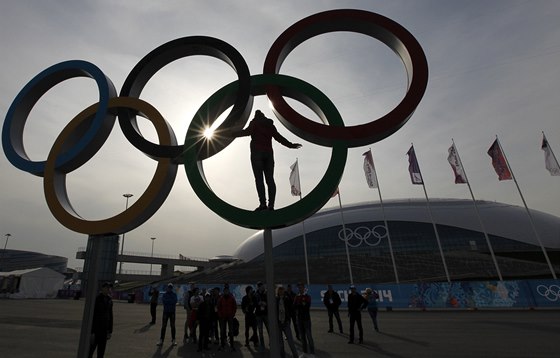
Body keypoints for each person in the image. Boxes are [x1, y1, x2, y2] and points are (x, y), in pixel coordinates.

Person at [229, 109, 302, 211]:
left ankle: (263, 204)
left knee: (259, 180)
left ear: (256, 116)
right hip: (268, 155)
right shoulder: (269, 125)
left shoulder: (254, 123)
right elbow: (279, 137)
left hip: (257, 154)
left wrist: (232, 133)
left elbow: (246, 132)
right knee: (270, 180)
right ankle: (271, 205)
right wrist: (290, 145)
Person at [89, 281, 113, 358]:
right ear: (102, 288)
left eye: (109, 288)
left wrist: (110, 331)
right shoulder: (96, 299)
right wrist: (92, 332)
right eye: (107, 287)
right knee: (90, 351)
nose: (108, 289)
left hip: (104, 331)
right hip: (96, 330)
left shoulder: (110, 300)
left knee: (101, 353)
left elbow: (110, 316)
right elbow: (93, 316)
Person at [276, 285, 299, 358]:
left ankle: (296, 356)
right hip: (278, 323)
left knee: (290, 341)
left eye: (282, 290)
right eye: (279, 290)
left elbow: (291, 309)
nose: (281, 291)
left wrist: (289, 319)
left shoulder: (286, 299)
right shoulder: (275, 299)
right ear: (277, 291)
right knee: (280, 343)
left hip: (285, 322)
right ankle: (282, 356)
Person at [293, 282, 315, 355]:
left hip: (306, 319)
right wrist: (301, 305)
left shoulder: (307, 296)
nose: (300, 289)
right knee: (302, 337)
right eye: (299, 287)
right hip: (299, 319)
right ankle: (304, 352)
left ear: (304, 288)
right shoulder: (297, 297)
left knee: (309, 337)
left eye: (301, 287)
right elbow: (294, 306)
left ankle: (312, 353)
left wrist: (299, 305)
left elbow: (306, 307)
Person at [217, 284, 237, 351]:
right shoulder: (221, 298)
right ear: (224, 291)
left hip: (230, 316)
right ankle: (222, 345)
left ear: (228, 291)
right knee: (222, 331)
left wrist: (233, 314)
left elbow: (235, 306)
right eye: (225, 291)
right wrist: (220, 314)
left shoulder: (231, 298)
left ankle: (232, 345)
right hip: (223, 317)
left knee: (231, 331)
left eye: (227, 291)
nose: (226, 292)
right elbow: (218, 307)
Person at [254, 281, 269, 351]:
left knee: (269, 329)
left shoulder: (266, 293)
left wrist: (263, 303)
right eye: (262, 286)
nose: (263, 287)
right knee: (260, 331)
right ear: (259, 287)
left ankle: (271, 342)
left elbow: (268, 302)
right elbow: (255, 303)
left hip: (265, 313)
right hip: (259, 315)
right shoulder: (256, 294)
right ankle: (262, 345)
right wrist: (259, 303)